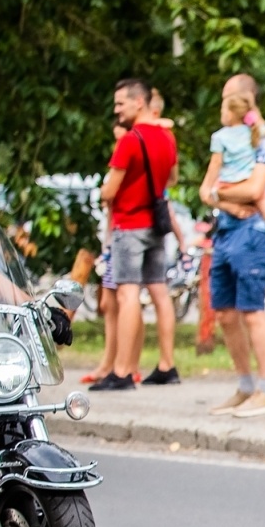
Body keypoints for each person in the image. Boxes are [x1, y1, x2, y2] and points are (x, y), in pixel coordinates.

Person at [199, 72, 265, 418]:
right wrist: (221, 198)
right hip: (225, 231)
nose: (222, 104)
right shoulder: (226, 141)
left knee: (253, 312)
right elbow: (204, 191)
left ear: (245, 100)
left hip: (253, 232)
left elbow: (255, 191)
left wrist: (220, 192)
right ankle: (246, 385)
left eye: (227, 97)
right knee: (225, 312)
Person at [94, 78, 178, 391]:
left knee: (128, 293)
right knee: (158, 290)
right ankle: (167, 364)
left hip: (129, 224)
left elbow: (110, 191)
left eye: (120, 103)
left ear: (138, 102)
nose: (117, 110)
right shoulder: (167, 138)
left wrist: (104, 190)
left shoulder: (130, 140)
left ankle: (123, 370)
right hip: (156, 224)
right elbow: (171, 175)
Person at [201, 93, 265, 273]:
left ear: (230, 114)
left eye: (223, 110)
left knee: (215, 196)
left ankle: (234, 209)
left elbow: (215, 163)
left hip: (227, 183)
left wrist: (209, 186)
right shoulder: (253, 132)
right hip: (246, 182)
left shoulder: (219, 136)